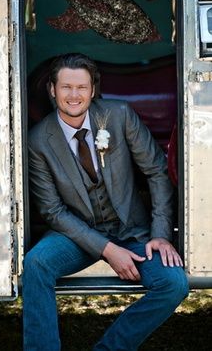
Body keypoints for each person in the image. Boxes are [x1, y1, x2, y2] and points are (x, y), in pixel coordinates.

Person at [23, 53, 189, 351]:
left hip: (132, 231)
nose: (74, 95)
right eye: (66, 87)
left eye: (82, 87)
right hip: (76, 234)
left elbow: (157, 172)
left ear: (93, 90)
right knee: (36, 263)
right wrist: (108, 250)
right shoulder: (37, 140)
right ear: (52, 89)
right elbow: (52, 210)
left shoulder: (120, 115)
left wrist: (161, 235)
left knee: (174, 284)